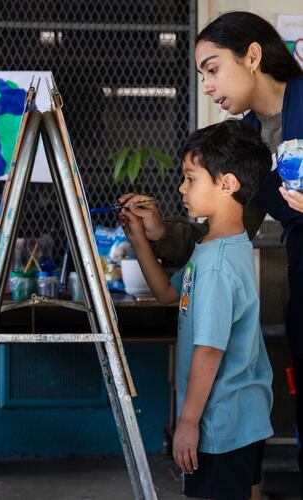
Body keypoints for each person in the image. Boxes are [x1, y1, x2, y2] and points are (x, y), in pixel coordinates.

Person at [123, 11, 303, 490]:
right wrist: (158, 232)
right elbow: (230, 228)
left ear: (253, 55)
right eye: (202, 74)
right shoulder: (246, 139)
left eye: (212, 68)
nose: (206, 84)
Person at [120, 120, 273, 500]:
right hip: (243, 416)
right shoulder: (214, 247)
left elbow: (209, 349)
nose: (181, 188)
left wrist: (188, 423)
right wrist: (139, 238)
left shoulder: (217, 265)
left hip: (220, 423)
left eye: (190, 178)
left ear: (227, 184)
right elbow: (168, 294)